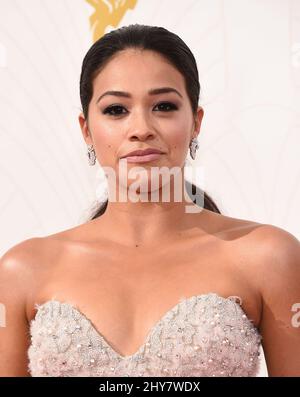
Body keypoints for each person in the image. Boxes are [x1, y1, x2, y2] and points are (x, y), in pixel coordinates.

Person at [0, 24, 299, 377]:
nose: (141, 127)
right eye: (116, 110)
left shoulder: (268, 256)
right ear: (86, 130)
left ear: (196, 122)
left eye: (163, 105)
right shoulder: (23, 270)